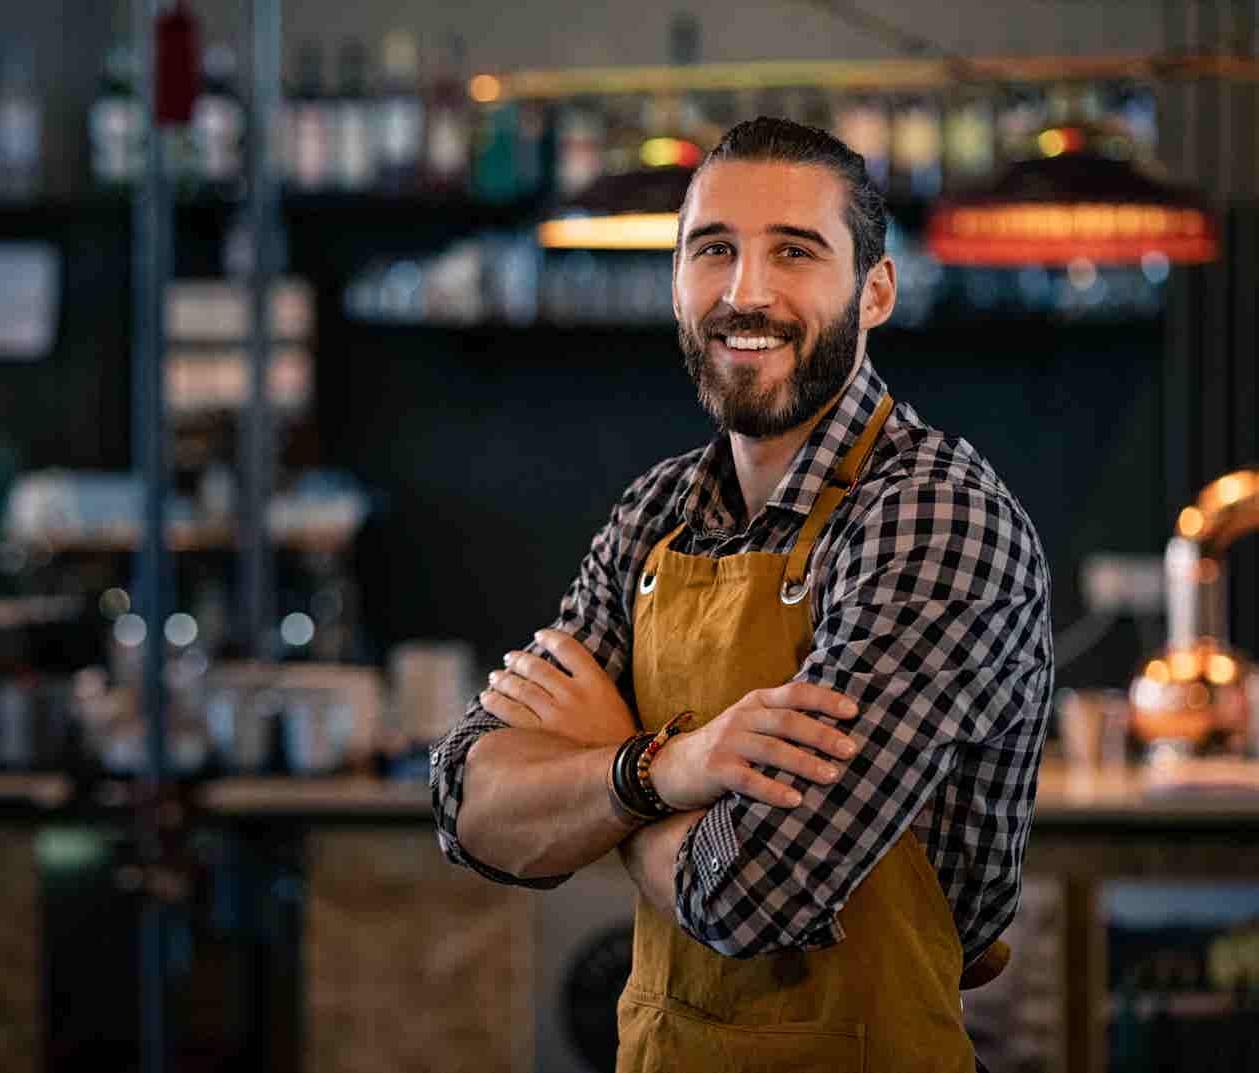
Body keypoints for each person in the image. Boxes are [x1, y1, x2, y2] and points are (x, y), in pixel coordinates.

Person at [429, 116, 1052, 1072]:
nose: (744, 292)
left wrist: (599, 786)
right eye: (711, 249)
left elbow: (756, 891)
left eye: (794, 252)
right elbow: (468, 803)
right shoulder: (655, 512)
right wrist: (664, 770)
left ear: (875, 290)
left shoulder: (935, 518)